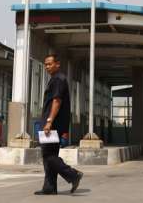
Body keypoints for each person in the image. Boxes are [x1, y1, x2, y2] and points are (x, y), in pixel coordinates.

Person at [35, 54, 83, 195]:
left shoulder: (58, 80)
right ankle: (49, 188)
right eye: (45, 64)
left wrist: (49, 121)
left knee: (48, 155)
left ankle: (73, 175)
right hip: (54, 123)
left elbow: (57, 101)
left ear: (58, 64)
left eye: (50, 63)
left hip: (53, 123)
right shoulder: (55, 80)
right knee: (49, 154)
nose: (47, 66)